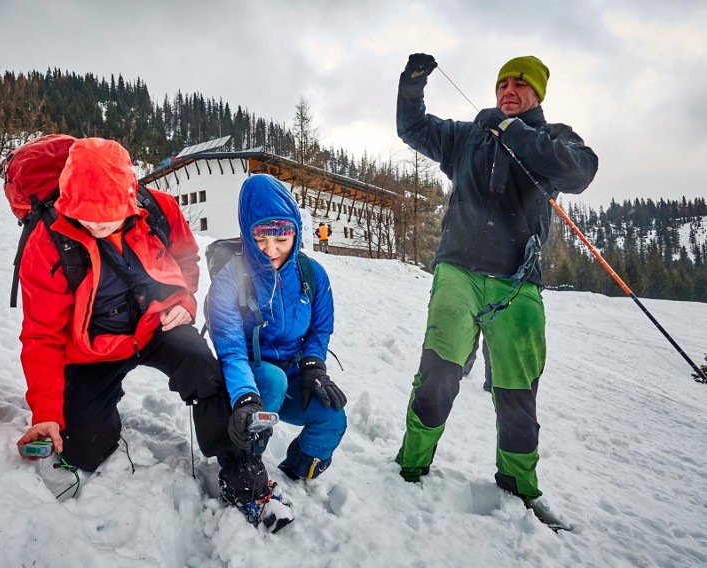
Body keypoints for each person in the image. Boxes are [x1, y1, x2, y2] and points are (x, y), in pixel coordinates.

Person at [394, 54, 598, 503]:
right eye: (503, 83)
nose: (509, 90)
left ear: (538, 94)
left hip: (518, 282)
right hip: (458, 270)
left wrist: (515, 133)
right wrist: (411, 88)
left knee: (516, 390)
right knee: (438, 373)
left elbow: (581, 171)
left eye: (521, 85)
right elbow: (414, 129)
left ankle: (518, 487)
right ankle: (410, 465)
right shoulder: (468, 136)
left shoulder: (551, 137)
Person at [14, 138, 258, 509]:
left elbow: (186, 260)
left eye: (106, 215)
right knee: (83, 450)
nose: (96, 225)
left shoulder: (160, 209)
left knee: (204, 368)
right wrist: (46, 413)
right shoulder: (45, 243)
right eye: (85, 216)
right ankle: (102, 403)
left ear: (130, 198)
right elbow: (42, 337)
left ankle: (237, 459)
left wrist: (184, 301)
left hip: (156, 325)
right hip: (94, 350)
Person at [207, 174, 347, 485]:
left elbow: (320, 328)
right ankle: (242, 463)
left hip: (295, 372)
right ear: (247, 232)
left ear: (295, 232)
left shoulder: (312, 274)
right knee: (272, 380)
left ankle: (296, 472)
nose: (271, 250)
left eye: (281, 240)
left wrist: (313, 365)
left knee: (331, 416)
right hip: (254, 376)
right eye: (260, 240)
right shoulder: (230, 279)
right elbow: (230, 347)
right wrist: (244, 396)